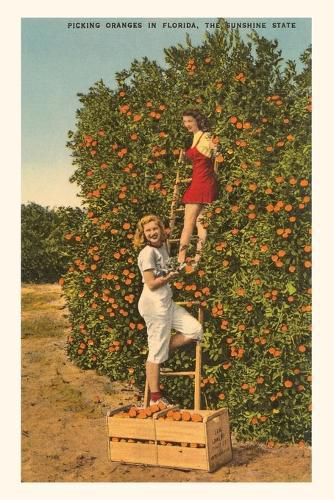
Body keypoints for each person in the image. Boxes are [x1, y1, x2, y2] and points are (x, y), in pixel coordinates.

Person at [133, 214, 203, 407]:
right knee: (155, 353)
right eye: (148, 231)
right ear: (144, 235)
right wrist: (170, 276)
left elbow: (171, 234)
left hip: (167, 303)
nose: (152, 233)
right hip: (154, 305)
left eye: (155, 229)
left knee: (195, 330)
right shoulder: (147, 254)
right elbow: (152, 283)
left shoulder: (162, 246)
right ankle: (156, 399)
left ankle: (160, 350)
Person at [177, 109, 219, 269]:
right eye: (185, 121)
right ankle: (197, 259)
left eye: (189, 121)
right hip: (204, 181)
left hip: (201, 181)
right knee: (201, 222)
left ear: (197, 121)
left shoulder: (206, 136)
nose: (186, 124)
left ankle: (180, 259)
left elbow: (215, 152)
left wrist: (216, 149)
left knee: (189, 222)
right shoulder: (197, 136)